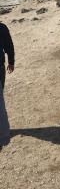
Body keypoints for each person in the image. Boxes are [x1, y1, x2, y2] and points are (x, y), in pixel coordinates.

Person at [0, 19, 13, 148]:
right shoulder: (2, 27)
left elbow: (9, 45)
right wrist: (11, 61)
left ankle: (3, 134)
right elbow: (9, 45)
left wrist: (11, 61)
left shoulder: (2, 28)